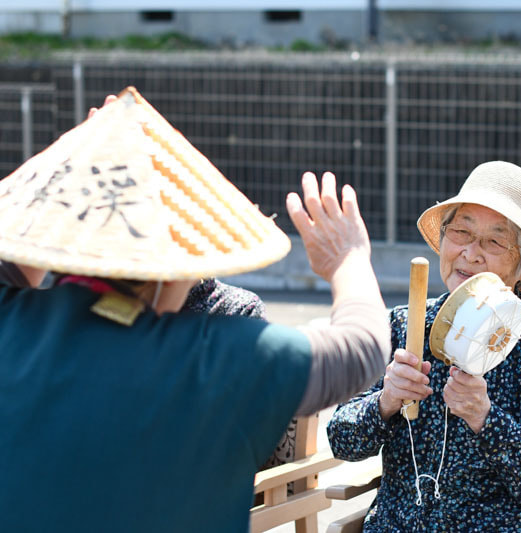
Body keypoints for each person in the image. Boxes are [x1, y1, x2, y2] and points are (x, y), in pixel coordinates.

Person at [0, 88, 390, 532]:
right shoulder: (217, 357)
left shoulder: (9, 319)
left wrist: (89, 161)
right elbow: (363, 349)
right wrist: (349, 259)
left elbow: (14, 257)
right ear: (171, 272)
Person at [327, 161, 521, 532]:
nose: (470, 253)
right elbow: (341, 439)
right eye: (461, 232)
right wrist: (385, 402)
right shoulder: (404, 326)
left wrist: (485, 417)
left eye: (495, 241)